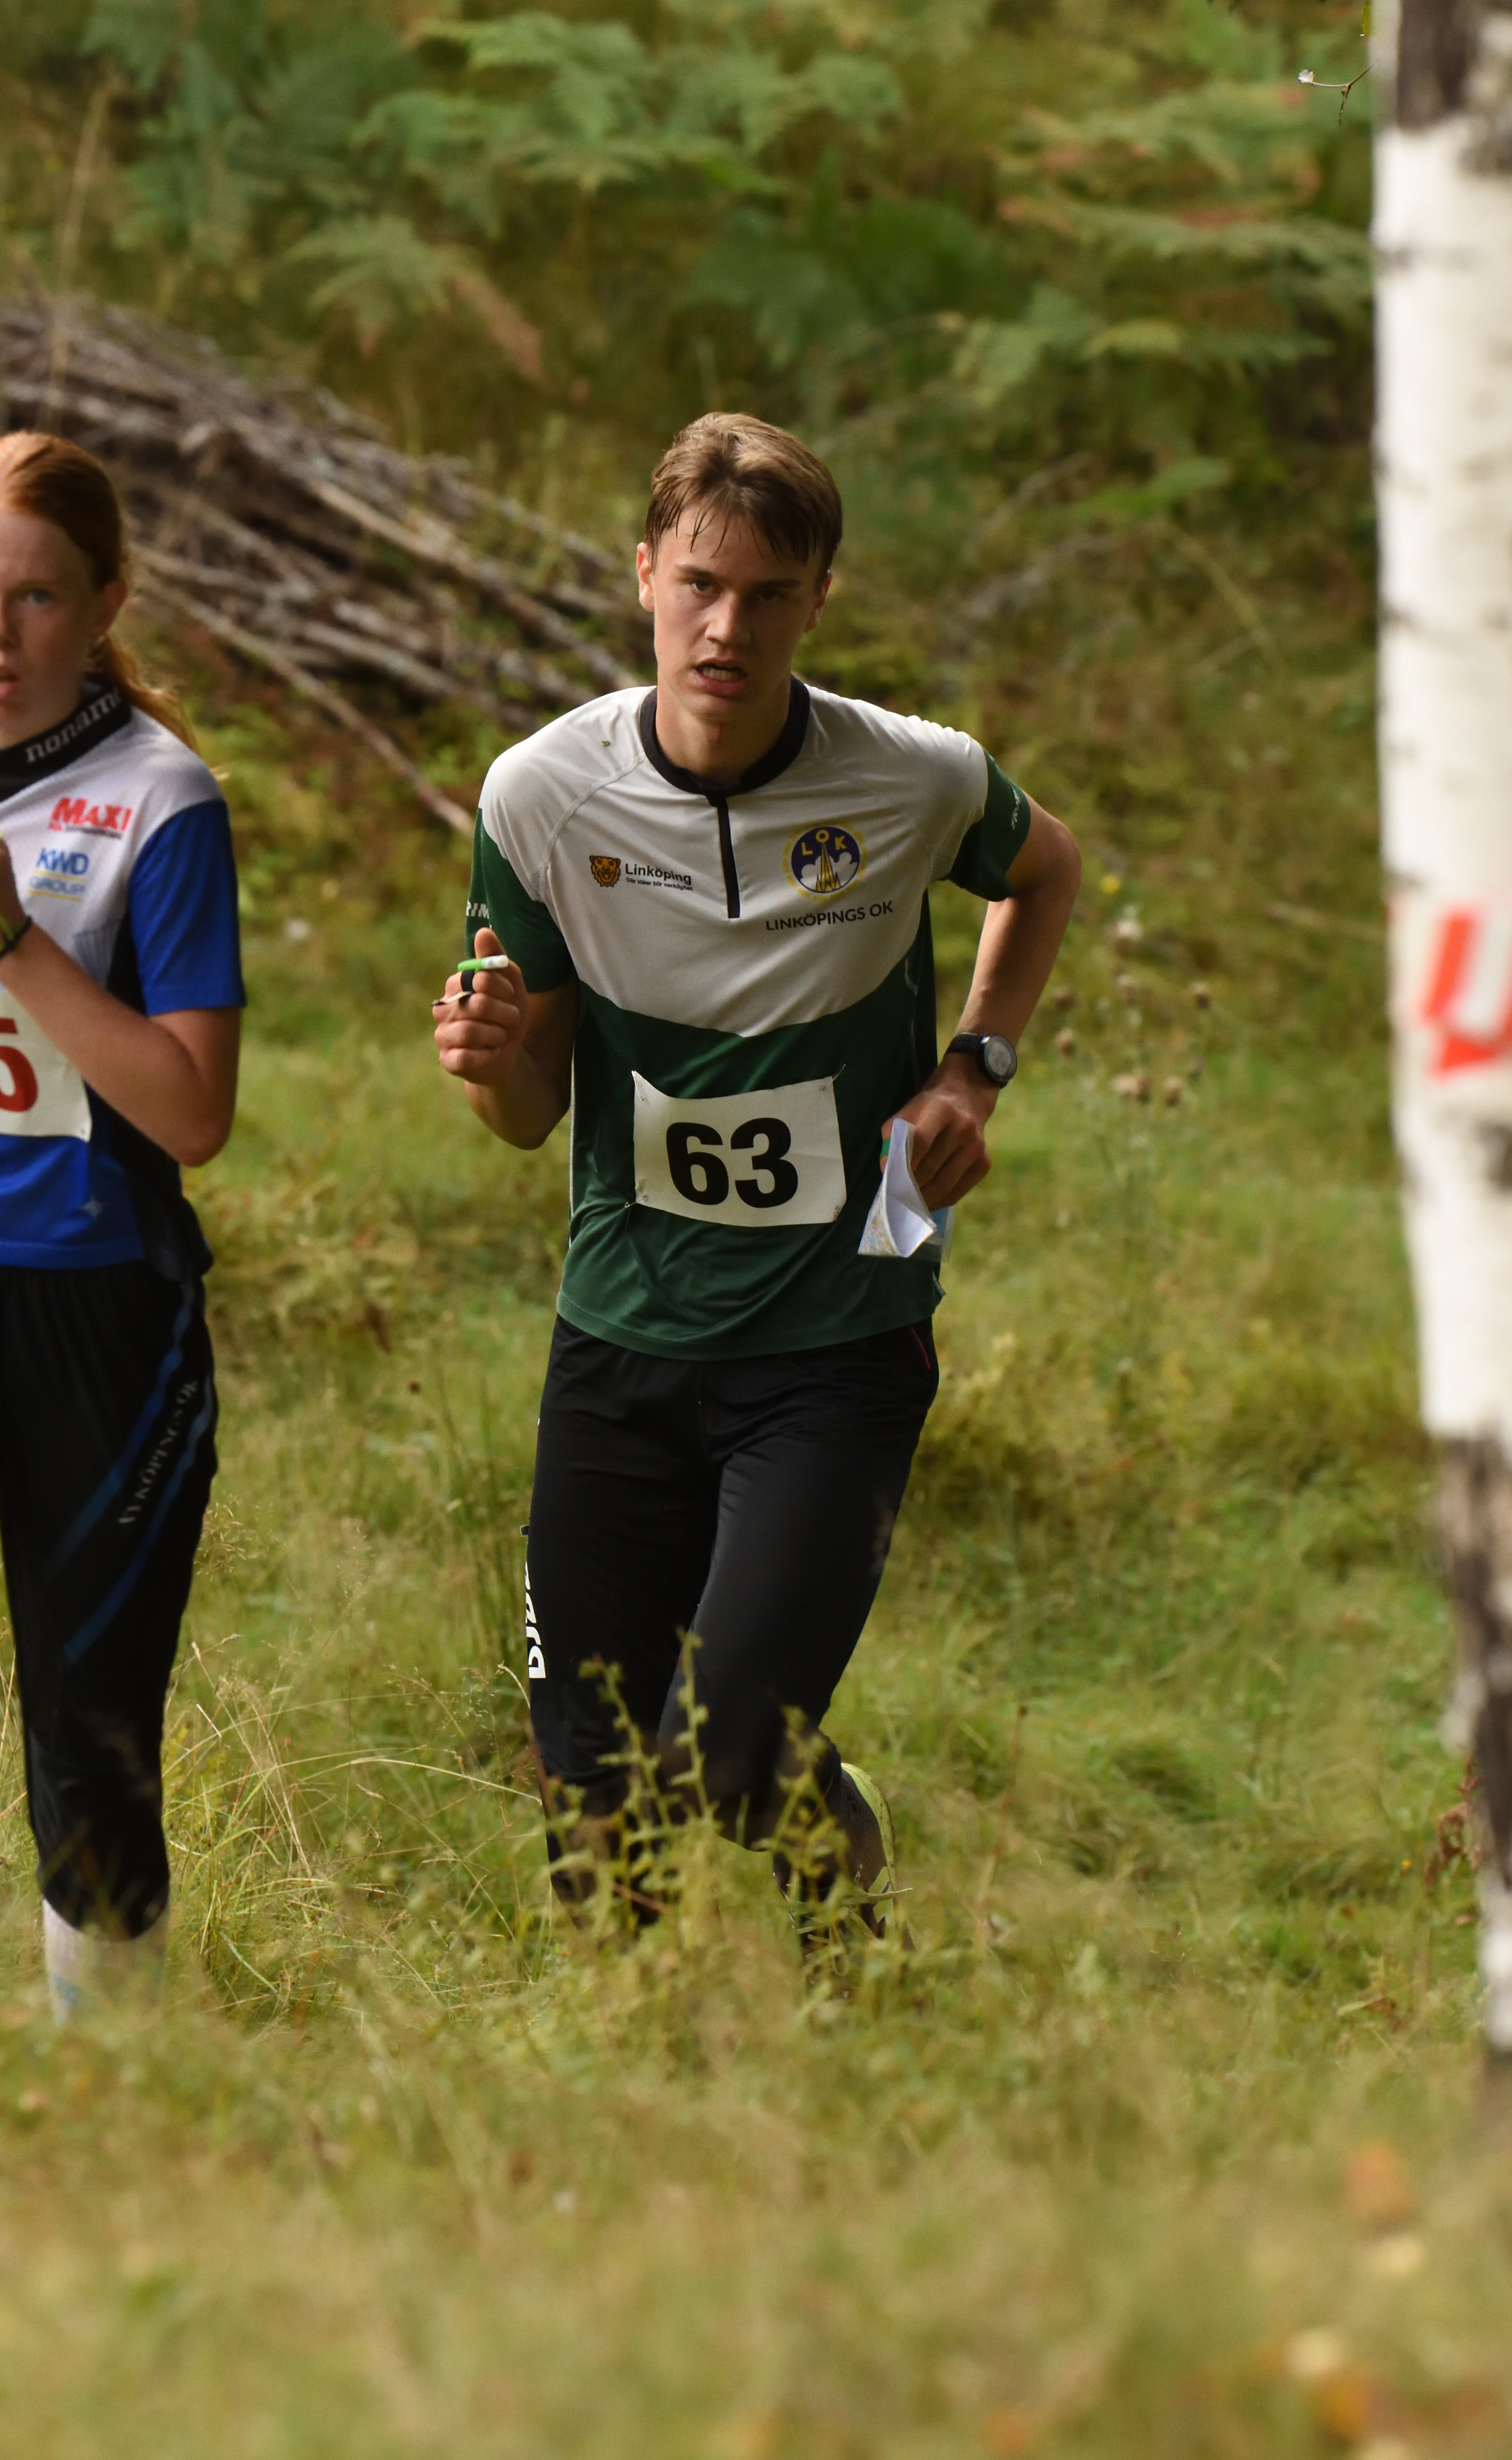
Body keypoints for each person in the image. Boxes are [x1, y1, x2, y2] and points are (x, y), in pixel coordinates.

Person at [435, 415, 1078, 1952]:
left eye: (770, 594)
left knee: (725, 1757)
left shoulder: (910, 777)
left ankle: (836, 1889)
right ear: (645, 574)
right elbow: (528, 1113)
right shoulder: (540, 797)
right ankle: (646, 2059)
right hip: (622, 1337)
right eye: (701, 585)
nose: (728, 628)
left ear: (818, 601)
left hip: (833, 1344)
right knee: (592, 1802)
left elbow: (1046, 867)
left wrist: (973, 1066)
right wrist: (491, 1061)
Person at [0, 433, 244, 2020]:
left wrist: (13, 942)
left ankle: (110, 2105)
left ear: (105, 605)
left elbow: (192, 1112)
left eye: (37, 598)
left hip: (97, 1318)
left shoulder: (164, 800)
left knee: (88, 1741)